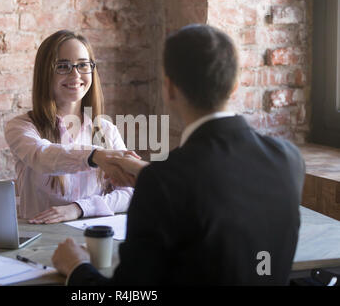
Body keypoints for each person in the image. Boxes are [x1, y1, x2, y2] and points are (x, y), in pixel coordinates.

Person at [51, 24, 305, 285]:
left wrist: (77, 267)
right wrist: (151, 176)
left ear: (169, 89)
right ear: (235, 85)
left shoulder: (162, 182)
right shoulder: (289, 159)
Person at [4, 30, 138, 224]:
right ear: (45, 72)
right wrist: (94, 156)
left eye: (83, 65)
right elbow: (42, 155)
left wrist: (80, 208)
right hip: (40, 238)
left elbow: (129, 193)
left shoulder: (107, 130)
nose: (75, 74)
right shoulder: (21, 127)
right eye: (63, 66)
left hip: (90, 235)